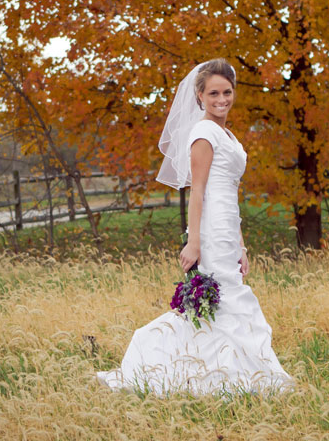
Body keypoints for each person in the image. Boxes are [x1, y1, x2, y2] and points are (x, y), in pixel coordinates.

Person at [96, 59, 295, 395]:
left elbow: (230, 193)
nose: (222, 99)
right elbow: (198, 191)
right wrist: (194, 242)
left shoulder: (226, 133)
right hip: (210, 228)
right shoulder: (202, 133)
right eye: (213, 92)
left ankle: (233, 371)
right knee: (221, 299)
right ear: (200, 96)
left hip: (228, 226)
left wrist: (242, 246)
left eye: (227, 92)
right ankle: (162, 357)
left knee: (226, 299)